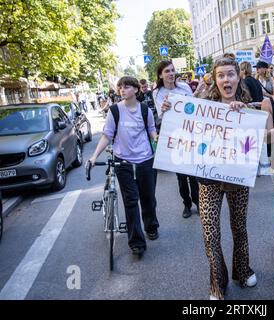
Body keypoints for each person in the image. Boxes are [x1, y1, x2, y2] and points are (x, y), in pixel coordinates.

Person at [161, 57, 257, 300]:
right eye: (221, 75)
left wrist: (244, 113)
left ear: (238, 77)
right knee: (210, 234)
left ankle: (243, 271)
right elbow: (181, 128)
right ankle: (217, 283)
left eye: (230, 74)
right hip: (208, 179)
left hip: (237, 177)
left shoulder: (249, 105)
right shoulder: (204, 105)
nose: (226, 79)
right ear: (215, 80)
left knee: (240, 228)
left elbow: (257, 139)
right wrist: (168, 112)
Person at [86, 76, 159, 257]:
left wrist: (159, 143)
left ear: (136, 89)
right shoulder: (114, 111)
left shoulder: (144, 110)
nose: (122, 90)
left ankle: (151, 226)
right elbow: (106, 135)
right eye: (120, 87)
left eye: (126, 87)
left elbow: (151, 131)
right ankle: (136, 243)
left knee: (148, 198)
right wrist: (94, 156)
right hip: (123, 162)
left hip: (145, 160)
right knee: (131, 201)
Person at [153, 60, 199, 219]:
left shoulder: (185, 87)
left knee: (193, 173)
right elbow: (160, 116)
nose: (171, 74)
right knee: (181, 176)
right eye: (167, 71)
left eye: (172, 70)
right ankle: (186, 203)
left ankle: (197, 201)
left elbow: (195, 107)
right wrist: (164, 109)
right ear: (161, 75)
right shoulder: (157, 93)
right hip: (174, 136)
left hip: (191, 133)